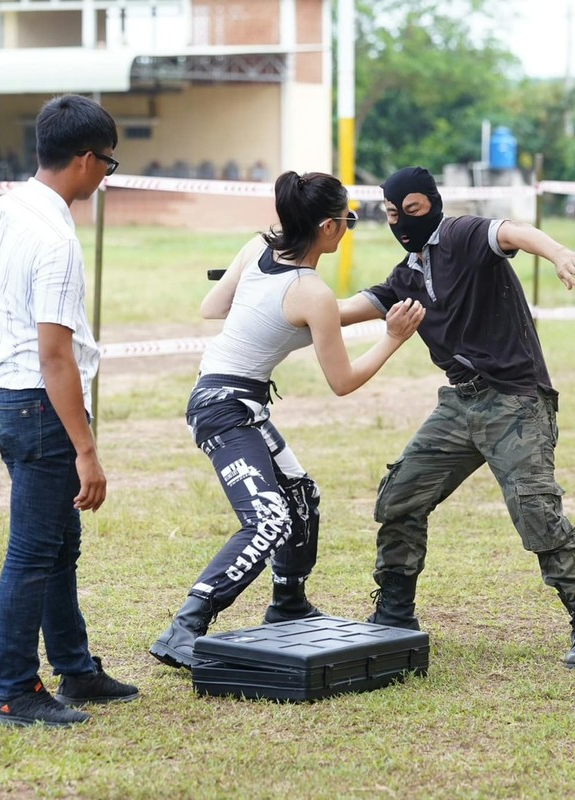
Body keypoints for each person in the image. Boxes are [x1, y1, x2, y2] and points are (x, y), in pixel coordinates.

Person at [149, 170, 426, 670]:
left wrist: (269, 303)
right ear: (327, 227)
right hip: (223, 410)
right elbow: (342, 381)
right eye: (349, 219)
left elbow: (215, 305)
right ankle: (184, 626)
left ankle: (288, 603)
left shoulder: (259, 248)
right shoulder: (310, 290)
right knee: (268, 520)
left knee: (302, 494)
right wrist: (393, 337)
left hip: (233, 400)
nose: (349, 226)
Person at [336, 166, 575, 669]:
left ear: (432, 204)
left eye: (413, 211)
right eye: (394, 215)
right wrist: (280, 296)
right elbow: (341, 310)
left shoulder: (461, 235)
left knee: (535, 511)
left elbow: (513, 233)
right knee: (400, 497)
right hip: (459, 405)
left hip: (515, 401)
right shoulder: (407, 277)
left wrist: (559, 254)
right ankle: (395, 612)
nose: (403, 223)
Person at [0, 94, 137, 727]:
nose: (106, 176)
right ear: (87, 159)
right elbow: (55, 356)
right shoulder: (57, 240)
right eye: (109, 165)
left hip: (0, 398)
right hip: (38, 405)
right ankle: (14, 691)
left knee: (59, 544)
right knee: (35, 553)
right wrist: (87, 450)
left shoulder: (2, 210)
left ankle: (76, 668)